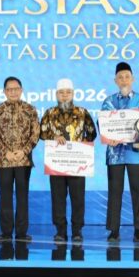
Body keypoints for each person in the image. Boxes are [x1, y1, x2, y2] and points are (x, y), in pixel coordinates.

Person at [101, 62, 139, 243]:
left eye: (127, 77)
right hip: (115, 154)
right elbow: (104, 125)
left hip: (136, 153)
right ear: (115, 80)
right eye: (120, 77)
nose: (124, 80)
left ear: (133, 79)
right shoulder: (109, 101)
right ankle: (113, 230)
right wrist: (108, 137)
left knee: (138, 192)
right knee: (114, 192)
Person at [39, 78, 97, 243]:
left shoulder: (82, 112)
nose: (65, 95)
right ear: (56, 94)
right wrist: (53, 137)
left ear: (73, 94)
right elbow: (41, 133)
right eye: (61, 92)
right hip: (56, 162)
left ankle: (77, 231)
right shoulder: (49, 113)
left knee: (78, 198)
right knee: (58, 198)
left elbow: (92, 133)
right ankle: (60, 231)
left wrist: (83, 142)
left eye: (68, 92)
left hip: (77, 162)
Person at [0, 76, 40, 242]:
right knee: (5, 196)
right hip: (4, 160)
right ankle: (5, 233)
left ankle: (21, 233)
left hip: (23, 160)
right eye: (9, 89)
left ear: (21, 90)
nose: (13, 92)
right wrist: (6, 152)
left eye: (16, 89)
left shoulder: (30, 109)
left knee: (22, 196)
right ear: (4, 91)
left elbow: (35, 134)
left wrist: (23, 151)